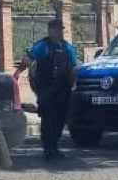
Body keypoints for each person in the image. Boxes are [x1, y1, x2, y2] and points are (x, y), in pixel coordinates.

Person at [13, 18, 78, 159]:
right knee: (48, 118)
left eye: (61, 29)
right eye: (57, 29)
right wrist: (18, 72)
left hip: (63, 88)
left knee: (60, 119)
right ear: (50, 31)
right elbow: (28, 59)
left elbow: (73, 66)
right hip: (46, 88)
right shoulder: (42, 46)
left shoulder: (67, 47)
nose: (60, 32)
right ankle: (48, 148)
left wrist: (73, 83)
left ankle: (54, 146)